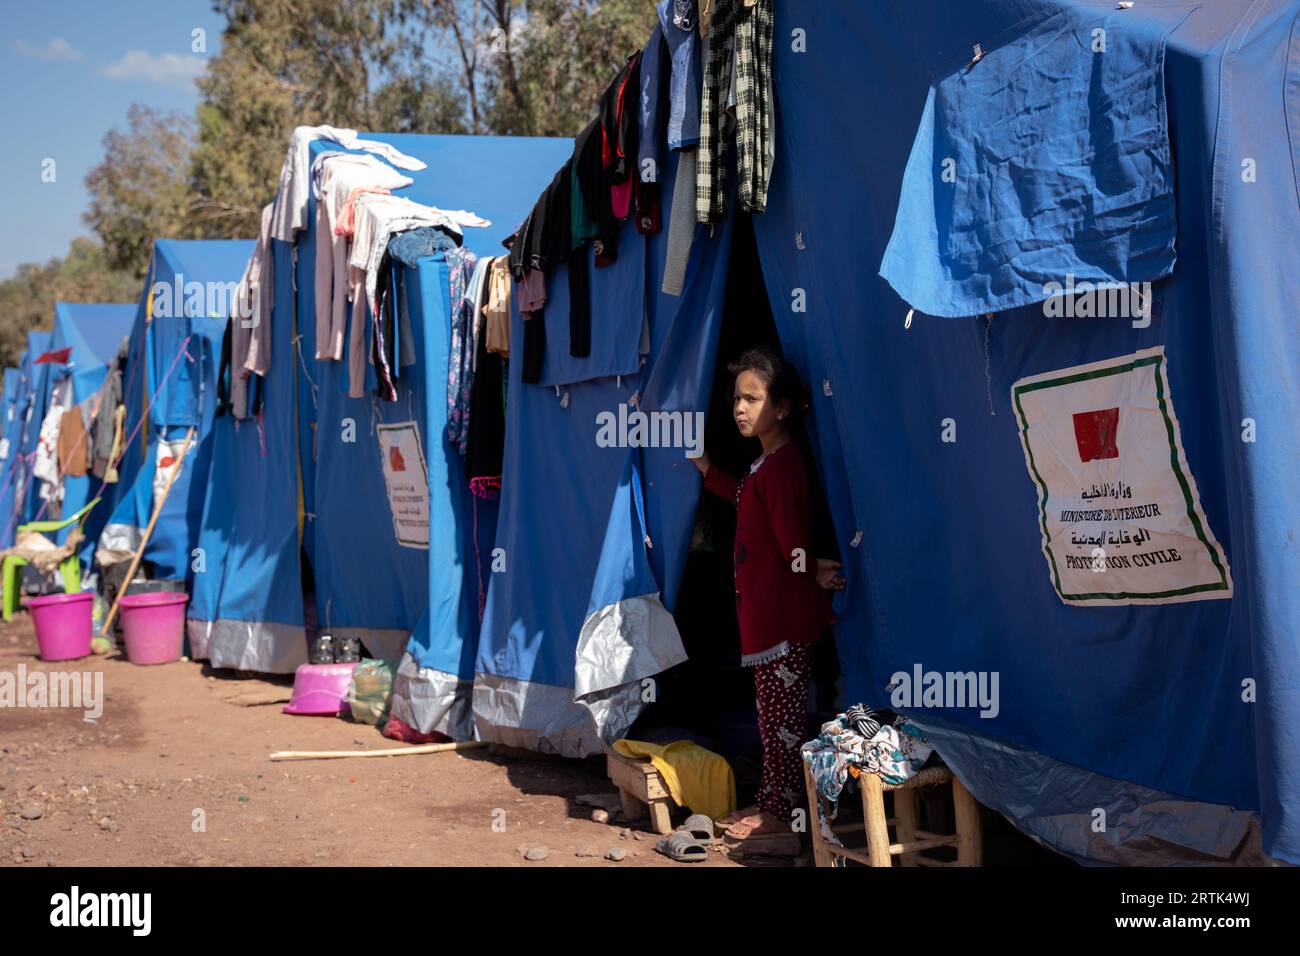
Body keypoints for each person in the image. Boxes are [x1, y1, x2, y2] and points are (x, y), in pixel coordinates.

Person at [691, 346, 845, 839]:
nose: (740, 408)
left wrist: (811, 570)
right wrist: (707, 471)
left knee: (783, 727)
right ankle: (771, 805)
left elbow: (790, 542)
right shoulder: (765, 466)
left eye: (752, 399)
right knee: (772, 722)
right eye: (737, 399)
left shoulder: (782, 466)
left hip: (780, 624)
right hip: (763, 623)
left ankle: (782, 818)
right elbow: (745, 501)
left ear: (781, 408)